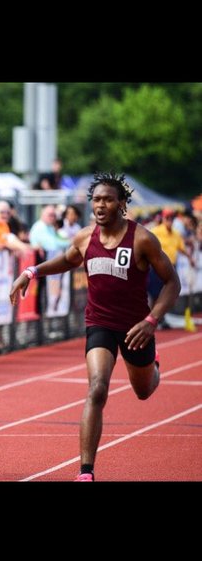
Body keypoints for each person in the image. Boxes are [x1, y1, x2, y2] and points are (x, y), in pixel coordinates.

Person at [10, 172, 181, 482]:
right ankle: (86, 471)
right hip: (99, 322)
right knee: (97, 388)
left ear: (122, 204)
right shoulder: (85, 236)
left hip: (135, 327)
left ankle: (153, 369)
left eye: (108, 199)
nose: (100, 205)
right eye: (96, 200)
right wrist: (31, 271)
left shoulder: (142, 238)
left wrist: (151, 320)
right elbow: (67, 260)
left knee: (143, 391)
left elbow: (172, 282)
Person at [149, 206, 193, 327]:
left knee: (167, 294)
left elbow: (181, 248)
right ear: (163, 218)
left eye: (171, 218)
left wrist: (190, 258)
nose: (169, 220)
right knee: (155, 293)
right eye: (167, 218)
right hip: (156, 267)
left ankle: (160, 318)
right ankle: (152, 319)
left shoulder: (176, 234)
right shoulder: (156, 231)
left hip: (171, 268)